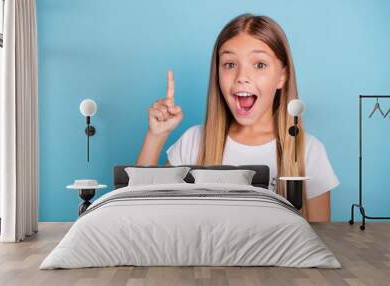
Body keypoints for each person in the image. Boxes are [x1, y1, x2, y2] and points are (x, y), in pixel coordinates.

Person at [136, 13, 339, 222]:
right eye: (230, 64)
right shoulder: (194, 141)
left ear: (282, 77)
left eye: (260, 64)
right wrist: (155, 136)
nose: (242, 76)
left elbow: (320, 238)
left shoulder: (309, 151)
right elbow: (140, 210)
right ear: (217, 73)